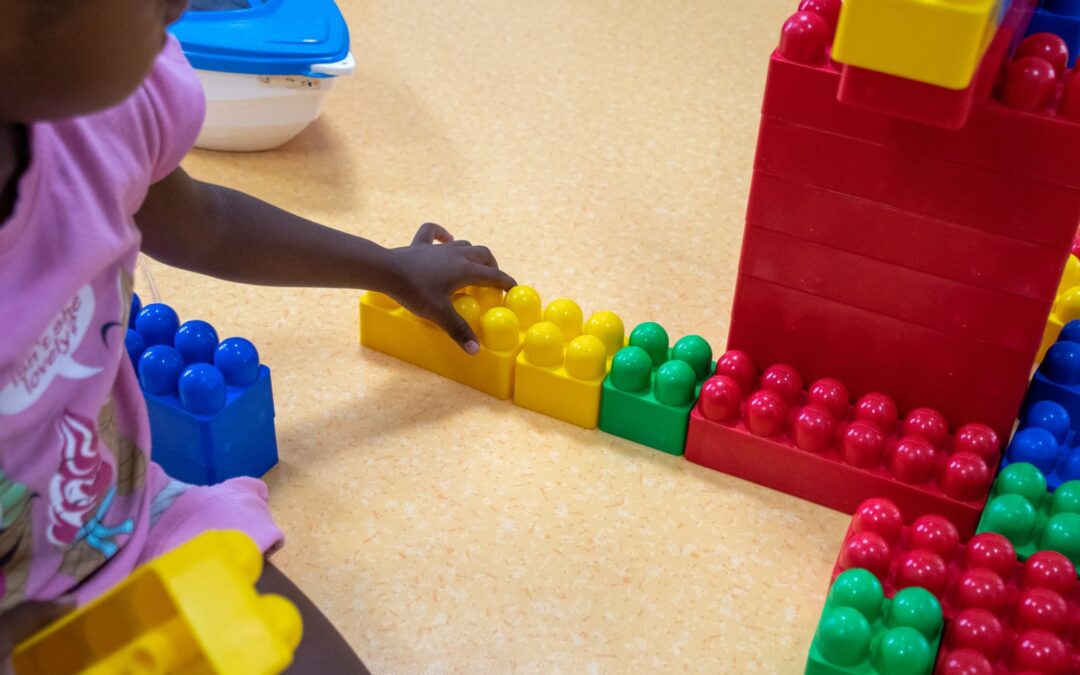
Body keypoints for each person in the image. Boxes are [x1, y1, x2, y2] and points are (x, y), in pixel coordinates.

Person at [0, 0, 516, 671]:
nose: (183, 3)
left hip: (124, 526)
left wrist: (389, 269)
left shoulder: (99, 115)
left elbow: (206, 224)